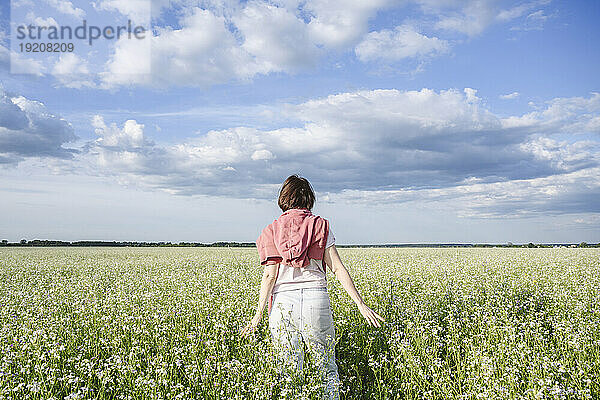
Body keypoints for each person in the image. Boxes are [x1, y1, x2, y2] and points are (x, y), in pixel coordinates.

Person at [241, 175, 384, 400]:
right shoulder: (320, 225)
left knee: (288, 370)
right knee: (325, 366)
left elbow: (270, 276)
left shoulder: (271, 230)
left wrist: (257, 315)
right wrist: (361, 304)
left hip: (282, 303)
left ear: (283, 198)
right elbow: (337, 268)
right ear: (309, 199)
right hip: (315, 299)